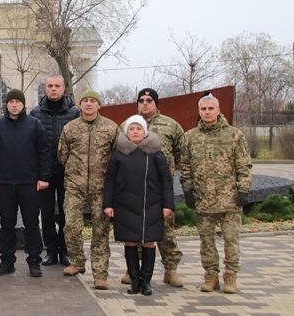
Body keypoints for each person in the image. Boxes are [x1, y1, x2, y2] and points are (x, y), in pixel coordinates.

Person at [181, 94, 252, 294]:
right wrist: (187, 189)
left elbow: (244, 165)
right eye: (204, 109)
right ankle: (210, 275)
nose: (207, 112)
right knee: (206, 241)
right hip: (203, 199)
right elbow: (185, 166)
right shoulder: (191, 136)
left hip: (229, 198)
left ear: (218, 110)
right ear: (199, 111)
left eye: (211, 108)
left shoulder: (234, 135)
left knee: (231, 240)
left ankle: (230, 276)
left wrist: (243, 189)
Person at [120, 88, 186, 287]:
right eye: (141, 100)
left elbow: (182, 153)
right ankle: (133, 271)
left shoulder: (171, 125)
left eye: (149, 100)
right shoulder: (127, 125)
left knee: (165, 230)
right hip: (133, 188)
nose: (145, 103)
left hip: (158, 188)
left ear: (156, 103)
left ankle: (171, 269)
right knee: (134, 229)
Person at [103, 115, 174, 296]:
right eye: (132, 129)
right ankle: (134, 281)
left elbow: (166, 180)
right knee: (130, 241)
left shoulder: (155, 153)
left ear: (145, 132)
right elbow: (110, 180)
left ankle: (146, 282)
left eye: (139, 129)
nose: (135, 132)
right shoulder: (119, 154)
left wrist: (168, 204)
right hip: (125, 204)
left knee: (149, 241)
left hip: (151, 204)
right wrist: (108, 204)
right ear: (127, 132)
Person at [0, 89, 51, 278]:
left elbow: (44, 152)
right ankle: (7, 262)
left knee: (31, 224)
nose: (14, 104)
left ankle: (34, 261)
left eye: (18, 101)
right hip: (5, 184)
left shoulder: (34, 125)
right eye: (11, 101)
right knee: (7, 224)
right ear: (6, 104)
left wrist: (44, 177)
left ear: (23, 104)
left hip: (29, 184)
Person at [59, 90, 119, 290]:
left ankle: (100, 274)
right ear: (80, 105)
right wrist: (75, 172)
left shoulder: (111, 128)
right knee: (71, 227)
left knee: (100, 231)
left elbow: (117, 156)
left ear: (99, 105)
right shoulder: (70, 128)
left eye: (93, 101)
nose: (89, 104)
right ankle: (77, 261)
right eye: (85, 101)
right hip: (75, 185)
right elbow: (62, 155)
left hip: (101, 187)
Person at [29, 75, 80, 267]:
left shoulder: (74, 113)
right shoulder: (36, 113)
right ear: (45, 89)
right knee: (47, 213)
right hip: (45, 173)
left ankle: (65, 251)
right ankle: (50, 251)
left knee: (66, 214)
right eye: (49, 86)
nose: (53, 89)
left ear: (64, 88)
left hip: (68, 173)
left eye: (57, 86)